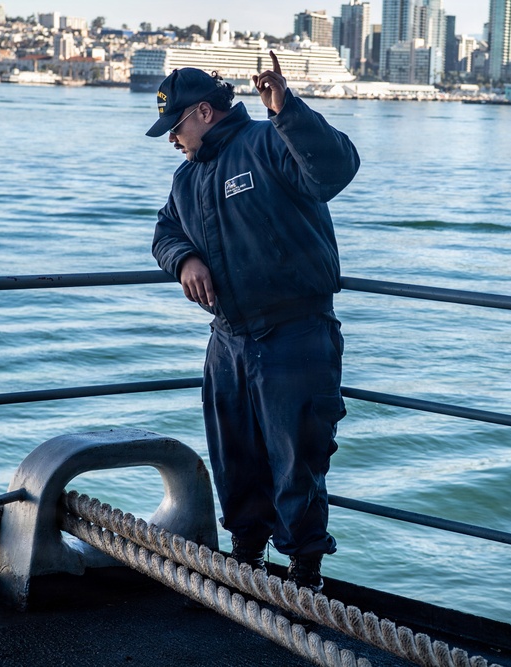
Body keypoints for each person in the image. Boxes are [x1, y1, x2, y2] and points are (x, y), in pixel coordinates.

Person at [147, 54, 360, 593]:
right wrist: (184, 260)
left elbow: (334, 169)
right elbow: (163, 232)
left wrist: (286, 109)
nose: (172, 139)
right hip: (228, 341)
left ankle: (304, 578)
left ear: (203, 112)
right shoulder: (186, 179)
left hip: (295, 335)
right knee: (235, 461)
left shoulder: (270, 142)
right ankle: (245, 564)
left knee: (298, 464)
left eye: (175, 127)